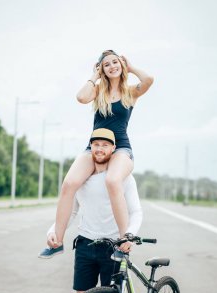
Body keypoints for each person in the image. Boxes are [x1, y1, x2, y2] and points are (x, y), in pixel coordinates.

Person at [40, 129, 143, 293]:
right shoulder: (81, 178)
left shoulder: (122, 179)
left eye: (104, 146)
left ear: (113, 149)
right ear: (90, 148)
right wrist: (54, 230)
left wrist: (128, 235)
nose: (99, 149)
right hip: (85, 246)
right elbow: (71, 211)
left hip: (113, 248)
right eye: (95, 145)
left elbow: (136, 212)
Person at [54, 49, 153, 252]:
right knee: (69, 184)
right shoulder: (98, 91)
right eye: (106, 64)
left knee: (112, 180)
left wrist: (131, 66)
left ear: (121, 65)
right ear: (102, 69)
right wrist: (94, 76)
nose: (112, 66)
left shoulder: (130, 92)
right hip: (95, 146)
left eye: (115, 62)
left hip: (121, 148)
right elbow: (81, 97)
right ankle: (56, 240)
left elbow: (149, 79)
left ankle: (123, 241)